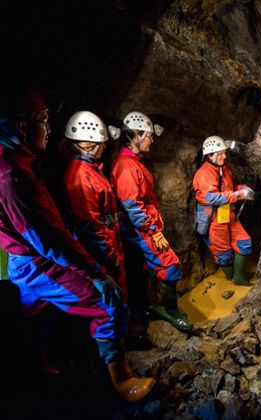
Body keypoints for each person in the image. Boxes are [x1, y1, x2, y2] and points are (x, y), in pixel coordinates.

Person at [0, 88, 155, 401]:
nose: (48, 127)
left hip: (27, 258)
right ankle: (121, 381)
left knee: (36, 313)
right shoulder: (11, 177)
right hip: (36, 261)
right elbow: (47, 240)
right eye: (43, 120)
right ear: (22, 127)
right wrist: (96, 272)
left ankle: (36, 367)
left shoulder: (17, 165)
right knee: (107, 303)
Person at [110, 111, 192, 332]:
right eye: (148, 135)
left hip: (140, 227)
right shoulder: (126, 166)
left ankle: (143, 307)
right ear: (136, 136)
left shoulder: (132, 162)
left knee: (138, 269)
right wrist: (153, 229)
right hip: (140, 229)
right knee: (170, 264)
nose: (152, 139)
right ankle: (171, 312)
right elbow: (133, 207)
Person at [62, 111, 127, 301]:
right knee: (115, 295)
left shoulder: (91, 170)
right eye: (101, 144)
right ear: (90, 146)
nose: (105, 146)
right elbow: (90, 225)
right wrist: (110, 255)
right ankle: (123, 329)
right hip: (103, 248)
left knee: (121, 289)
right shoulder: (80, 178)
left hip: (111, 238)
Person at [193, 135, 254, 286]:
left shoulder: (224, 168)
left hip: (228, 214)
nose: (224, 156)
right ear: (209, 155)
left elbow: (228, 189)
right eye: (220, 153)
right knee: (223, 254)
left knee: (245, 242)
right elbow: (212, 198)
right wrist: (237, 195)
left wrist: (241, 189)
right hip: (214, 219)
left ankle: (238, 278)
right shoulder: (203, 174)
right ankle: (230, 278)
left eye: (224, 152)